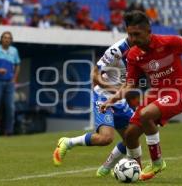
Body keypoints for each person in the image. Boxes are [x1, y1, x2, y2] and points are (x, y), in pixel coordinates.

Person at [100, 11, 182, 181]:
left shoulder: (169, 42)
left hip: (178, 94)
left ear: (148, 31)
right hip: (156, 95)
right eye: (130, 34)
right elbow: (130, 84)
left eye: (137, 34)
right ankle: (135, 170)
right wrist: (112, 99)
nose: (133, 39)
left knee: (145, 115)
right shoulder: (133, 55)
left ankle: (158, 162)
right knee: (130, 134)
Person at [53, 38, 137, 177]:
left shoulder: (144, 50)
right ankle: (68, 142)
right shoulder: (116, 50)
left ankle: (106, 168)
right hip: (103, 97)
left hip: (120, 101)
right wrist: (114, 89)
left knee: (131, 138)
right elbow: (94, 75)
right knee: (105, 138)